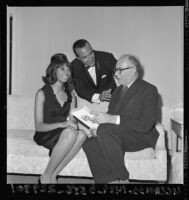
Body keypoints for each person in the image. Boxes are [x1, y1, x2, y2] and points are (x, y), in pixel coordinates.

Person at [82, 54, 160, 183]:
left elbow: (146, 124)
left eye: (120, 70)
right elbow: (109, 117)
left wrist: (110, 120)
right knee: (89, 142)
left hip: (140, 136)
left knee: (105, 130)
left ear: (133, 70)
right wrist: (97, 128)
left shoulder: (149, 90)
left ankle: (123, 178)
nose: (116, 74)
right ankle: (109, 181)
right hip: (117, 135)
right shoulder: (117, 91)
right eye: (115, 71)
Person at [33, 53, 87, 184]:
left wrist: (76, 125)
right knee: (69, 134)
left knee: (82, 134)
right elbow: (39, 126)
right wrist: (62, 125)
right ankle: (46, 175)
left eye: (68, 69)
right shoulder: (42, 93)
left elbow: (72, 121)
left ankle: (53, 175)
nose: (67, 72)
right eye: (62, 68)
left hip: (63, 131)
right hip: (45, 133)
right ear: (53, 70)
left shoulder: (71, 95)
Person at [71, 39, 117, 104]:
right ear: (78, 58)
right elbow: (80, 90)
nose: (90, 58)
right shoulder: (74, 67)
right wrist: (98, 97)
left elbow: (123, 73)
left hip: (113, 100)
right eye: (85, 57)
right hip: (89, 101)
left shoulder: (107, 58)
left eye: (91, 53)